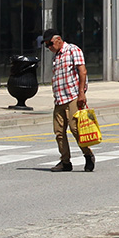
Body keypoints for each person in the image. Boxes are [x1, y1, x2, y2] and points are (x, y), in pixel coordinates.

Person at [43, 28, 95, 172]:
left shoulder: (73, 50)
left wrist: (81, 94)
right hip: (59, 98)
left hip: (73, 96)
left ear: (58, 40)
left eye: (50, 44)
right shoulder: (56, 57)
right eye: (47, 45)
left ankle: (88, 155)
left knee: (75, 128)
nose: (49, 47)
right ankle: (65, 162)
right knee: (59, 132)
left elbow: (82, 71)